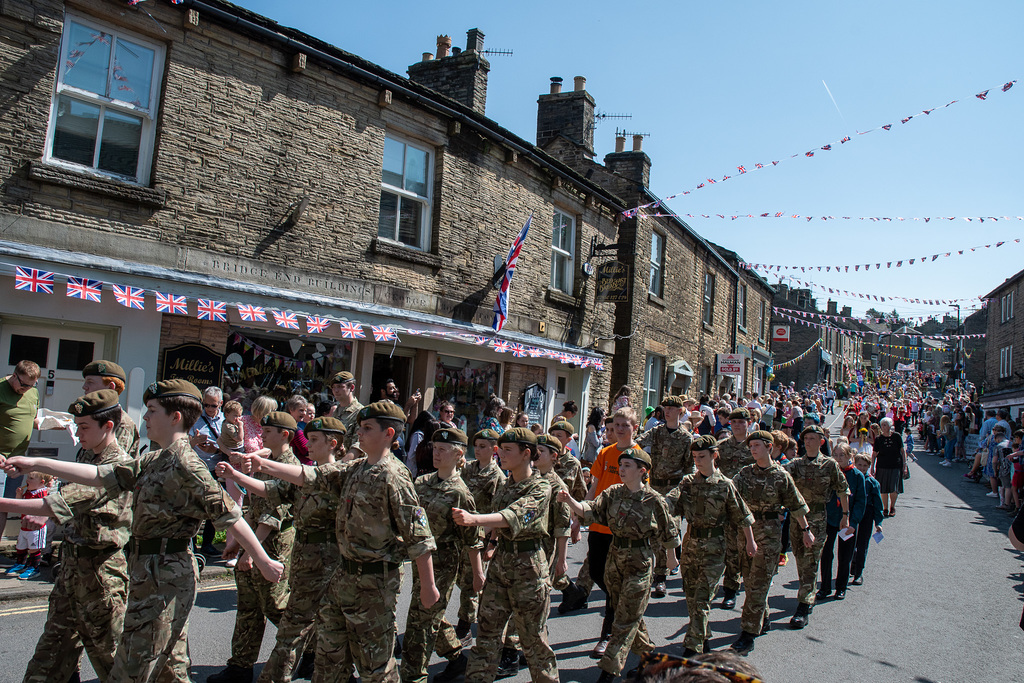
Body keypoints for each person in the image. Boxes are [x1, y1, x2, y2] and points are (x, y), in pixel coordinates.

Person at [0, 379, 285, 682]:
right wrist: (36, 462)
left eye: (152, 410)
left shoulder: (188, 465)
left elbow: (230, 514)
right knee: (169, 672)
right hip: (145, 572)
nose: (145, 417)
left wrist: (264, 560)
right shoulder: (155, 458)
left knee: (130, 670)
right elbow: (99, 476)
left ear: (175, 417)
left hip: (167, 577)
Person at [236, 400, 439, 683]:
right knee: (328, 661)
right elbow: (311, 475)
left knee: (375, 668)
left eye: (367, 428)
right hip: (342, 579)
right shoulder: (355, 468)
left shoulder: (394, 477)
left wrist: (428, 586)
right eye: (360, 427)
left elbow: (419, 536)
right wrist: (265, 465)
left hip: (375, 586)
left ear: (389, 435)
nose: (360, 432)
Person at [0, 390, 132, 682]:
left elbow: (54, 504)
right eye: (76, 425)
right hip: (71, 573)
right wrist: (26, 465)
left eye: (84, 427)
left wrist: (4, 502)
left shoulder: (115, 466)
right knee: (47, 661)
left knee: (115, 664)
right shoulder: (87, 454)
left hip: (100, 577)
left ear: (107, 426)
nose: (78, 433)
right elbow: (56, 489)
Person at [217, 416, 347, 683]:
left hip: (331, 566)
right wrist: (236, 475)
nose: (306, 444)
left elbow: (300, 482)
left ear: (333, 444)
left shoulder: (339, 477)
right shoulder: (305, 474)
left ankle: (334, 670)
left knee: (333, 627)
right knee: (292, 627)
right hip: (304, 564)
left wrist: (262, 462)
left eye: (313, 440)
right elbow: (271, 491)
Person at [558, 447, 679, 681]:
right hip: (614, 560)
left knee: (623, 619)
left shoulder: (654, 500)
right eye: (620, 465)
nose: (621, 470)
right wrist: (571, 501)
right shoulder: (613, 492)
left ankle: (608, 671)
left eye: (627, 466)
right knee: (629, 612)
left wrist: (671, 558)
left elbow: (669, 531)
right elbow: (591, 509)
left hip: (640, 562)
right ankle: (648, 657)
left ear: (642, 471)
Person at [453, 427, 559, 683]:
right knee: (487, 633)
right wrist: (490, 541)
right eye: (499, 448)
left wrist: (473, 519)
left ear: (526, 454)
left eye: (507, 450)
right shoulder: (505, 483)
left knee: (533, 639)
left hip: (529, 569)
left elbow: (512, 515)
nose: (500, 453)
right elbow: (497, 522)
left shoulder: (541, 487)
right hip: (501, 566)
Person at [208, 411, 300, 683]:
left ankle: (313, 650)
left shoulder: (289, 467)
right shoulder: (267, 463)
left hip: (273, 545)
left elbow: (272, 516)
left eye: (269, 432)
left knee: (275, 606)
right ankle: (240, 667)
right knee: (248, 608)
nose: (262, 436)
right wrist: (237, 543)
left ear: (285, 435)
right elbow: (253, 508)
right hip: (255, 541)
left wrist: (249, 553)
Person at [402, 427, 484, 683]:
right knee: (429, 613)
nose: (435, 453)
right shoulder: (422, 483)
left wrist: (478, 575)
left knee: (420, 623)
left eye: (442, 449)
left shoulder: (459, 493)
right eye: (434, 448)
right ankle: (457, 659)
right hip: (419, 559)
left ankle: (413, 675)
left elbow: (472, 539)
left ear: (459, 454)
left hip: (444, 564)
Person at [667, 435, 756, 656]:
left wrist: (750, 542)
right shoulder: (687, 482)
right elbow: (669, 502)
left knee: (702, 599)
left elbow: (743, 515)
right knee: (691, 597)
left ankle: (692, 648)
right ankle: (703, 639)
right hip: (690, 547)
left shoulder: (725, 485)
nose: (698, 461)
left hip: (715, 548)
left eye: (702, 456)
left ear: (715, 456)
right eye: (695, 457)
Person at [730, 430, 811, 654]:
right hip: (746, 533)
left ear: (769, 447)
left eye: (757, 445)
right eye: (751, 446)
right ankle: (763, 619)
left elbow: (796, 504)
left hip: (769, 534)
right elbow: (731, 497)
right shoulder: (745, 474)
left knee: (757, 583)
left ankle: (747, 635)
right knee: (751, 581)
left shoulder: (781, 475)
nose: (753, 449)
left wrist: (806, 530)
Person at [786, 425, 851, 630]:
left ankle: (803, 606)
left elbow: (843, 490)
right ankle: (810, 592)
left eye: (813, 438)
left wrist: (845, 517)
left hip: (817, 518)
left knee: (811, 560)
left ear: (821, 441)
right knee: (799, 557)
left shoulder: (829, 465)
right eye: (806, 438)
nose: (808, 442)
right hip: (797, 518)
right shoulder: (796, 464)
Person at [636, 394, 692, 599]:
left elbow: (689, 467)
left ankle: (662, 575)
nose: (667, 411)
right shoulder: (657, 432)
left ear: (680, 411)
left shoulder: (686, 437)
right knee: (653, 530)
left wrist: (683, 490)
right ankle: (658, 572)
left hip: (673, 489)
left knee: (669, 528)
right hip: (655, 485)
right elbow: (638, 445)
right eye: (665, 408)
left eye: (672, 408)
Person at [454, 429, 507, 650]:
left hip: (481, 535)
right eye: (476, 445)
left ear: (494, 450)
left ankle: (465, 626)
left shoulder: (498, 478)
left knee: (470, 582)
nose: (477, 449)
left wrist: (493, 543)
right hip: (461, 532)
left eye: (483, 446)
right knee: (460, 578)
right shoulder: (467, 469)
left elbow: (500, 512)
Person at [715, 408, 755, 609]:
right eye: (734, 422)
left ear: (749, 423)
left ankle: (751, 588)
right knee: (728, 548)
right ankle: (729, 589)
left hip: (749, 505)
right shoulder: (721, 447)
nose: (737, 425)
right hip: (725, 505)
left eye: (741, 422)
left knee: (748, 548)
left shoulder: (755, 446)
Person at [817, 444, 865, 602]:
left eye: (842, 455)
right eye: (835, 455)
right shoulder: (830, 472)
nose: (838, 459)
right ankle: (824, 587)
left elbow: (860, 501)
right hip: (830, 518)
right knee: (826, 554)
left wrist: (854, 522)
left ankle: (841, 587)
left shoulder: (857, 475)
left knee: (845, 556)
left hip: (847, 522)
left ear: (849, 456)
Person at [0, 360, 41, 539]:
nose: (27, 389)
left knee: (5, 508)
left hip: (17, 462)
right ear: (14, 375)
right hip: (0, 457)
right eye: (24, 384)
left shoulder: (33, 392)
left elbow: (31, 420)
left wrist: (60, 424)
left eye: (32, 385)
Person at [81, 360, 140, 459]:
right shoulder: (94, 418)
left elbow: (112, 467)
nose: (84, 387)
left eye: (90, 382)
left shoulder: (121, 423)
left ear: (110, 387)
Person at [7, 471, 54, 580]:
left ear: (41, 482)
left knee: (34, 548)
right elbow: (20, 506)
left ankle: (34, 567)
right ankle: (20, 564)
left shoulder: (42, 493)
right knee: (21, 546)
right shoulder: (28, 492)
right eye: (28, 477)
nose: (27, 480)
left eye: (31, 478)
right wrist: (19, 495)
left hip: (36, 527)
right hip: (24, 526)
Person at [850, 453, 884, 586]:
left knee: (862, 544)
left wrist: (878, 522)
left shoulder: (872, 483)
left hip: (867, 515)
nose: (862, 468)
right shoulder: (851, 479)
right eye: (859, 465)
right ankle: (851, 564)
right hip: (852, 514)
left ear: (869, 467)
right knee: (850, 543)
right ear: (854, 464)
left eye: (865, 466)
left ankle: (858, 573)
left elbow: (878, 504)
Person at [870, 418, 907, 517]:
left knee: (894, 488)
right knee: (883, 489)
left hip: (895, 465)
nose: (883, 427)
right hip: (882, 465)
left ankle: (892, 507)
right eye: (882, 425)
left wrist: (905, 465)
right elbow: (874, 454)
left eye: (885, 425)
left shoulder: (897, 436)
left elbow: (903, 452)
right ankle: (885, 508)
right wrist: (872, 467)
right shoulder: (878, 439)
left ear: (890, 426)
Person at [329, 371, 363, 452]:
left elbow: (359, 445)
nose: (336, 391)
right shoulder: (335, 411)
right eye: (333, 387)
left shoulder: (359, 412)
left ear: (352, 388)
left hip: (348, 461)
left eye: (340, 387)